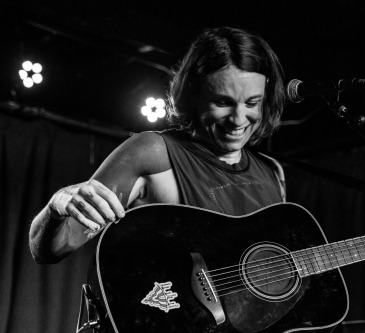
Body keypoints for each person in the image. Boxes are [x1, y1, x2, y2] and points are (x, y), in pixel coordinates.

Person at [29, 27, 287, 264]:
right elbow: (49, 250)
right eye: (222, 103)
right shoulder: (152, 153)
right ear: (193, 96)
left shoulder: (273, 172)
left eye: (252, 103)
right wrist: (57, 206)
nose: (239, 119)